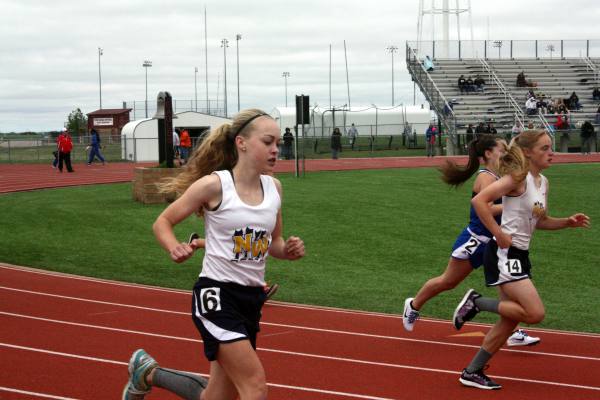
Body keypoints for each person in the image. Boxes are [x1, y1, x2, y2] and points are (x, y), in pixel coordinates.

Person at [122, 109, 305, 400]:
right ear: (242, 143)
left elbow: (275, 243)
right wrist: (174, 247)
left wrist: (289, 250)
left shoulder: (275, 189)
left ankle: (147, 372)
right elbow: (163, 222)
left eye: (278, 143)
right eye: (268, 142)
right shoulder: (215, 185)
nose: (275, 150)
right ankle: (146, 372)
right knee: (254, 387)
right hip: (216, 296)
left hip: (251, 300)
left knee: (218, 396)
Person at [452, 130, 590, 390]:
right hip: (504, 253)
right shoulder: (517, 178)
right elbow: (479, 201)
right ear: (527, 152)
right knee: (535, 313)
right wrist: (498, 232)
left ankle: (472, 371)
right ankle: (476, 302)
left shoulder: (543, 183)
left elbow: (542, 221)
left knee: (509, 321)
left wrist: (567, 223)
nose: (552, 152)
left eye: (551, 147)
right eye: (545, 148)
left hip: (520, 254)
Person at [403, 135, 539, 343]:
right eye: (502, 150)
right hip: (476, 240)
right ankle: (413, 305)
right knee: (448, 281)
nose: (506, 153)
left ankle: (512, 332)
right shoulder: (485, 177)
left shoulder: (500, 176)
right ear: (488, 153)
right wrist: (517, 206)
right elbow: (487, 207)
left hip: (495, 241)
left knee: (506, 285)